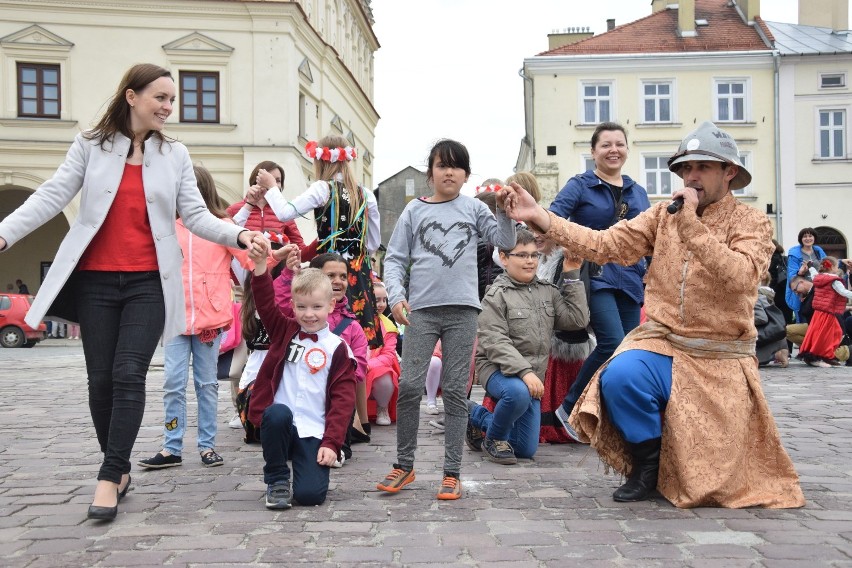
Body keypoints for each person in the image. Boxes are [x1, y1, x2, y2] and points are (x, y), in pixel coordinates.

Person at [0, 63, 263, 521]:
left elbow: (197, 216)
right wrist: (4, 233)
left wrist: (238, 235)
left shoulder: (174, 155)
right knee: (100, 380)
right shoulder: (89, 145)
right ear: (131, 97)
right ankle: (118, 468)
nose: (168, 107)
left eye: (172, 99)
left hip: (148, 283)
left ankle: (108, 473)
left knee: (128, 373)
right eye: (160, 97)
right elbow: (50, 196)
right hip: (95, 282)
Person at [501, 120, 805, 509]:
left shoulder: (752, 223)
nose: (691, 176)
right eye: (685, 168)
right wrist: (541, 217)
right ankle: (647, 467)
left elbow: (742, 278)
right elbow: (603, 243)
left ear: (729, 172)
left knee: (716, 481)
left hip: (719, 352)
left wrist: (692, 226)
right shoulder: (663, 215)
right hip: (664, 339)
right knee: (619, 374)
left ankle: (677, 460)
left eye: (703, 168)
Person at [378, 139, 516, 500]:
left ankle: (451, 471)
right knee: (409, 386)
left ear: (466, 174)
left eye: (456, 166)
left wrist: (503, 210)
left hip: (463, 312)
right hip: (421, 311)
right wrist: (395, 295)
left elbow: (506, 240)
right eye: (442, 165)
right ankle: (404, 465)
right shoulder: (414, 212)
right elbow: (393, 259)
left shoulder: (473, 208)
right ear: (431, 174)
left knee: (455, 391)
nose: (449, 171)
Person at [138, 165, 253, 470]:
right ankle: (171, 446)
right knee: (173, 383)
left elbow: (249, 258)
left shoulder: (221, 226)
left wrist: (275, 257)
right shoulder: (165, 226)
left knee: (206, 384)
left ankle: (207, 446)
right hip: (175, 317)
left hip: (210, 320)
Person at [549, 122, 650, 428]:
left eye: (619, 144)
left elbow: (651, 237)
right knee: (611, 343)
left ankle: (611, 414)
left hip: (631, 278)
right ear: (593, 152)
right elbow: (553, 218)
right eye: (605, 145)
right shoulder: (580, 185)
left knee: (627, 353)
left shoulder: (638, 192)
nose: (613, 150)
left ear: (627, 150)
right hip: (595, 277)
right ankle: (569, 407)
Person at [244, 239, 356, 509]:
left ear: (330, 305)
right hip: (282, 424)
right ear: (293, 306)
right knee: (277, 413)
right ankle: (277, 477)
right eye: (302, 307)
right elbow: (265, 302)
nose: (309, 314)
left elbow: (343, 402)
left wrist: (332, 443)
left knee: (309, 496)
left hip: (313, 429)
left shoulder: (339, 349)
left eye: (316, 307)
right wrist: (261, 266)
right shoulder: (283, 330)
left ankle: (306, 467)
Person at [466, 229, 588, 464]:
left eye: (533, 255)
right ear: (504, 258)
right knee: (516, 392)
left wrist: (572, 273)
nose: (529, 261)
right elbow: (495, 341)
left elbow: (576, 320)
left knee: (524, 449)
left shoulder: (547, 292)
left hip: (532, 378)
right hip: (498, 371)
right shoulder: (496, 295)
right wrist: (525, 372)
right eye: (521, 255)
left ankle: (477, 416)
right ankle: (493, 439)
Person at [260, 135, 382, 348]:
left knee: (323, 331)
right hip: (358, 273)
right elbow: (372, 243)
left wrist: (272, 187)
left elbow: (285, 213)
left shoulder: (322, 188)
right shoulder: (367, 195)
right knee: (358, 339)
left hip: (326, 270)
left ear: (321, 160)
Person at [274, 251, 370, 459]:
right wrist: (288, 275)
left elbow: (359, 368)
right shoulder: (298, 316)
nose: (338, 281)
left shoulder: (353, 327)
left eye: (343, 276)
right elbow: (279, 302)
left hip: (330, 398)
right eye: (330, 276)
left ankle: (336, 445)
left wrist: (333, 379)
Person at [534, 234, 596, 443]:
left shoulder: (564, 259)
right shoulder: (537, 259)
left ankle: (562, 424)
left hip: (564, 337)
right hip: (545, 335)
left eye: (540, 231)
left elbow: (567, 301)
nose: (535, 236)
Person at [227, 160, 305, 251]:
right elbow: (221, 240)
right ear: (255, 181)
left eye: (277, 181)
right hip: (243, 264)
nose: (272, 184)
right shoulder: (233, 210)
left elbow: (301, 250)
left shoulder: (285, 211)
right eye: (268, 179)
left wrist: (321, 240)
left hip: (277, 264)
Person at [798, 257, 852, 367]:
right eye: (837, 266)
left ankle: (825, 356)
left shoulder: (818, 277)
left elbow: (813, 273)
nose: (837, 269)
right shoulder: (834, 281)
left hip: (818, 312)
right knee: (830, 335)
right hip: (828, 312)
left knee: (819, 334)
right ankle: (819, 356)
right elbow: (843, 292)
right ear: (832, 267)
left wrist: (811, 266)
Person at [366, 281, 400, 426]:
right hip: (355, 364)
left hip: (375, 368)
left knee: (385, 376)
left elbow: (388, 355)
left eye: (384, 300)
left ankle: (382, 407)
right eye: (377, 300)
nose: (381, 304)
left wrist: (367, 365)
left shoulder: (389, 326)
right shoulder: (353, 320)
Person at [785, 228, 825, 322]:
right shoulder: (794, 254)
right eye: (805, 236)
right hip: (804, 293)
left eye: (810, 236)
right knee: (806, 319)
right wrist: (800, 272)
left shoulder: (818, 251)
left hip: (819, 290)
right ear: (801, 239)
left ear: (814, 238)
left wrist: (842, 261)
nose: (808, 238)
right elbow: (791, 277)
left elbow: (828, 263)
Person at [755, 275, 789, 367]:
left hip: (762, 332)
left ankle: (776, 354)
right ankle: (778, 352)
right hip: (773, 333)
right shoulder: (767, 294)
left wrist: (747, 321)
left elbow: (762, 318)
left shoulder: (757, 296)